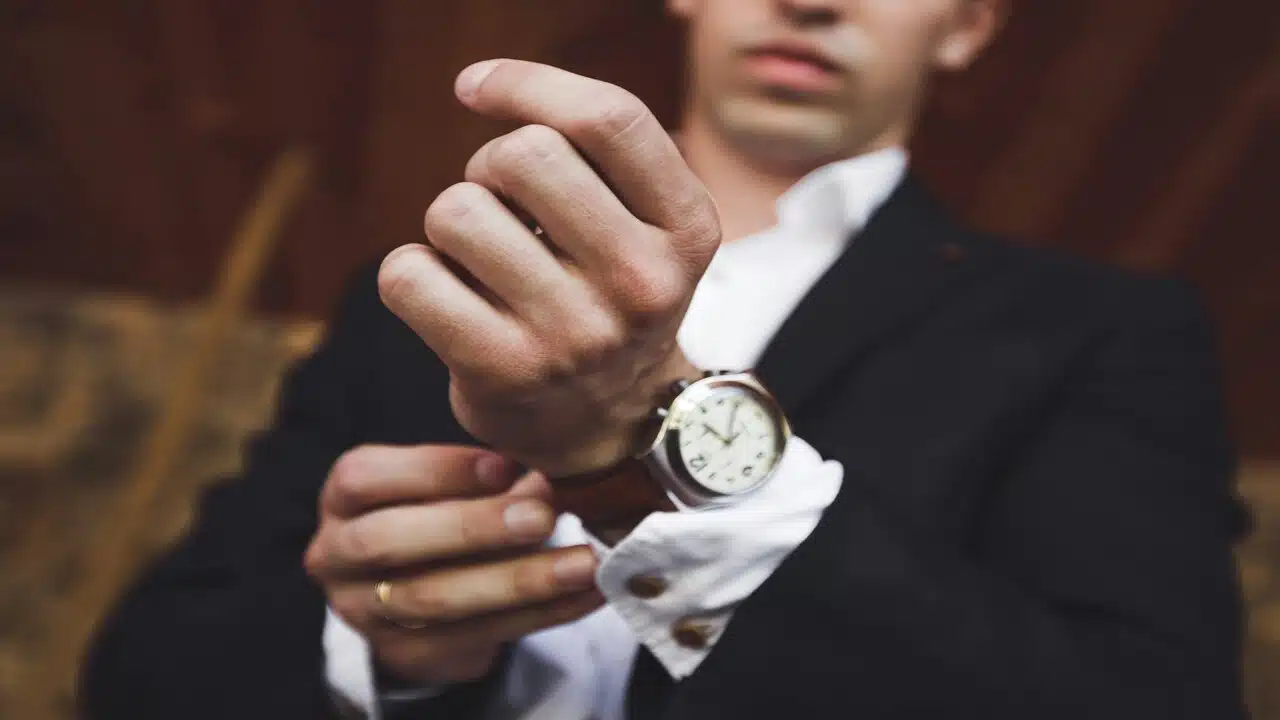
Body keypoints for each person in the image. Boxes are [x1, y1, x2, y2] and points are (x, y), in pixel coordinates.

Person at [81, 0, 1248, 718]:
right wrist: (376, 657)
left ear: (964, 24)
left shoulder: (1094, 329)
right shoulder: (426, 300)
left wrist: (645, 442)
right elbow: (144, 673)